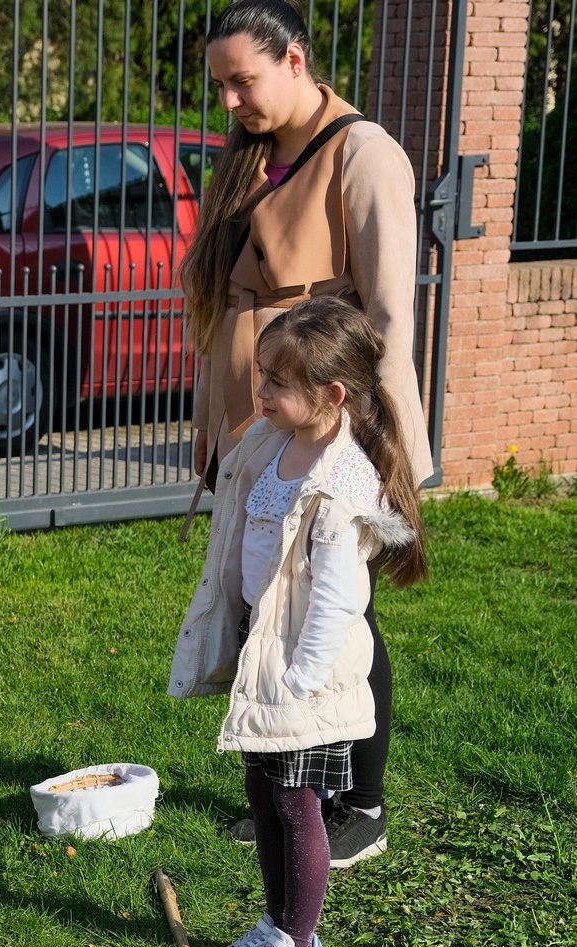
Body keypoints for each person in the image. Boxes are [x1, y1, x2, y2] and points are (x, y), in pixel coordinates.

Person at [181, 0, 433, 865]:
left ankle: (362, 803)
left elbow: (389, 314)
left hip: (332, 422)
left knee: (341, 605)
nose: (229, 102)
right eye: (220, 85)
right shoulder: (251, 155)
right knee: (271, 597)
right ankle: (296, 790)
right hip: (258, 418)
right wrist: (215, 424)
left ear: (295, 60)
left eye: (242, 81)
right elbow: (230, 301)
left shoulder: (365, 154)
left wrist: (364, 441)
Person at [168, 297, 427, 947]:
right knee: (263, 791)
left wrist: (300, 678)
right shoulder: (274, 441)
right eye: (263, 375)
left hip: (303, 669)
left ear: (332, 395)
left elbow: (340, 600)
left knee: (296, 801)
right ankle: (277, 924)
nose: (260, 391)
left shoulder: (340, 486)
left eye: (277, 382)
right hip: (267, 641)